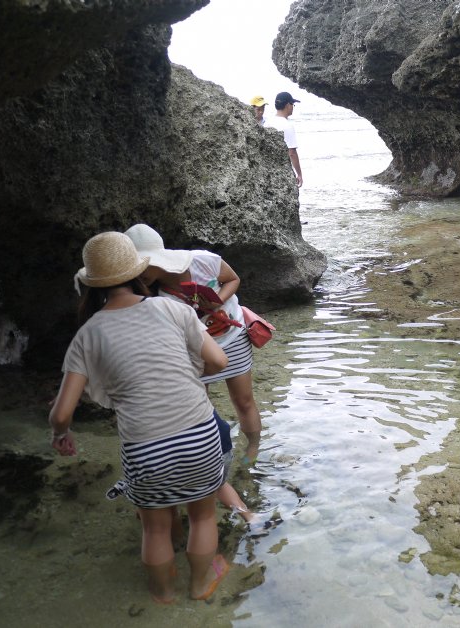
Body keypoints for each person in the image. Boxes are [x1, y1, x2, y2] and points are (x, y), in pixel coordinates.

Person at [49, 231, 231, 603]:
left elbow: (62, 413)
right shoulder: (173, 309)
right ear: (138, 271)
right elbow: (219, 361)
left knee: (156, 529)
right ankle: (199, 587)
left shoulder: (87, 335)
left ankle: (163, 594)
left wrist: (60, 435)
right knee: (202, 517)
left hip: (145, 447)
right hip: (199, 433)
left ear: (90, 285)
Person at [124, 224, 263, 476]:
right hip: (197, 349)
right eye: (133, 269)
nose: (139, 274)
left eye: (143, 265)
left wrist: (218, 300)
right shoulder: (150, 294)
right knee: (201, 405)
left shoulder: (202, 260)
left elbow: (233, 279)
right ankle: (211, 456)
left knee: (243, 400)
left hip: (232, 336)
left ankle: (252, 450)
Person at [264, 91, 303, 187]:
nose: (293, 107)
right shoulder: (287, 125)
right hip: (280, 171)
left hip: (266, 169)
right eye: (292, 104)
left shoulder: (267, 122)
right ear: (287, 105)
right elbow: (292, 153)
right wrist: (299, 174)